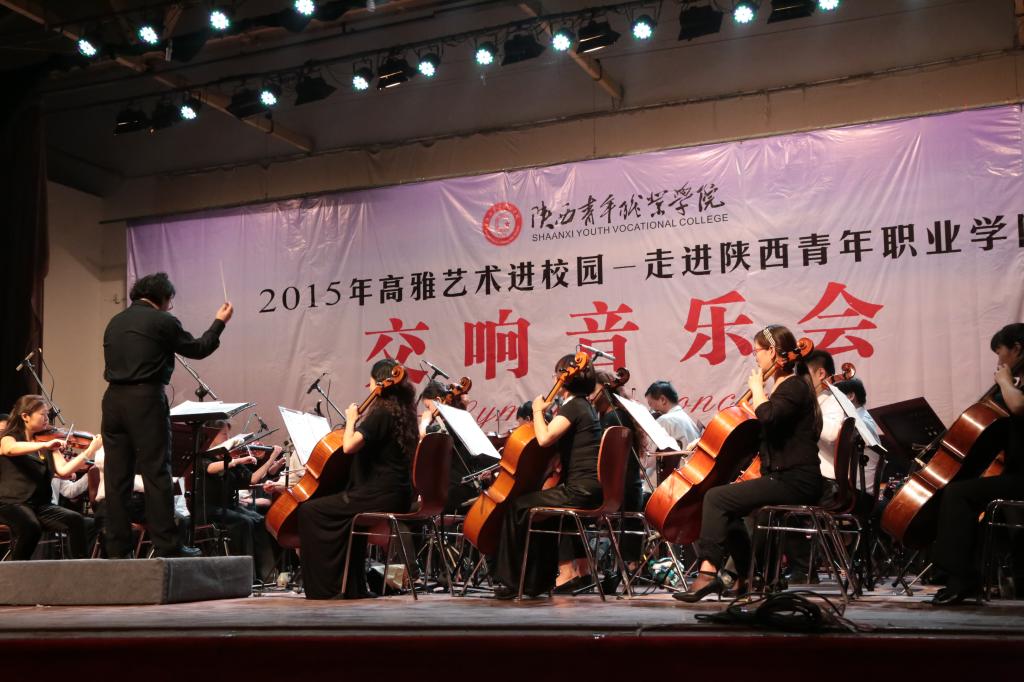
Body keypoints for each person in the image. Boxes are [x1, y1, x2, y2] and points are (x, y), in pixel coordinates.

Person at [674, 325, 824, 602]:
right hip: (783, 477)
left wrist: (757, 390)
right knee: (724, 508)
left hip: (796, 480)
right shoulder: (783, 388)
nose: (756, 357)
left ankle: (708, 573)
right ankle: (747, 577)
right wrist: (708, 441)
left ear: (772, 352)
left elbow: (768, 416)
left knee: (716, 499)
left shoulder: (793, 386)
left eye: (758, 351)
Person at [101, 271, 232, 560]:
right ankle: (167, 545)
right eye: (169, 301)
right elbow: (199, 348)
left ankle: (117, 549)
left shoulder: (115, 322)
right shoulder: (162, 320)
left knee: (116, 476)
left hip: (112, 400)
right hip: (145, 398)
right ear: (163, 297)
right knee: (157, 471)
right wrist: (219, 322)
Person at [296, 359, 418, 599]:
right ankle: (353, 586)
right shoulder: (405, 413)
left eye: (371, 382)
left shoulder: (381, 412)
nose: (370, 387)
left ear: (379, 383)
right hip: (397, 494)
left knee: (310, 511)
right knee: (343, 514)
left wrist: (351, 418)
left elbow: (349, 446)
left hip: (380, 494)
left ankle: (330, 588)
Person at [491, 354, 603, 599]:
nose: (555, 380)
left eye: (556, 375)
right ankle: (536, 583)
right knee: (544, 515)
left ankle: (512, 582)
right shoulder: (586, 407)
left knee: (518, 506)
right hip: (591, 489)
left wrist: (537, 410)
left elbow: (544, 439)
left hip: (580, 490)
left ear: (565, 379)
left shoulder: (574, 406)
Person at [930, 323, 1024, 605]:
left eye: (1000, 353)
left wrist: (1005, 382)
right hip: (1016, 474)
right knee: (960, 491)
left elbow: (1019, 407)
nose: (999, 362)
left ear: (1017, 349)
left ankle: (961, 578)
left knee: (958, 494)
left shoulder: (1014, 387)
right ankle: (964, 574)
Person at [0, 395, 100, 559]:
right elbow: (9, 449)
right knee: (31, 527)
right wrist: (45, 445)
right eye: (43, 414)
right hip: (11, 503)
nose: (47, 419)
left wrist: (89, 451)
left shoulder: (49, 441)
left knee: (76, 520)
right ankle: (15, 570)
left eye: (48, 414)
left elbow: (64, 471)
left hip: (39, 505)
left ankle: (80, 567)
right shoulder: (9, 437)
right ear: (25, 416)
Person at [200, 420, 284, 582]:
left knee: (260, 520)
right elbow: (211, 468)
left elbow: (253, 479)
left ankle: (266, 575)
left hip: (229, 507)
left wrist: (271, 458)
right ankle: (246, 577)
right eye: (224, 434)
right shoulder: (203, 456)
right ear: (211, 435)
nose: (228, 438)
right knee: (245, 522)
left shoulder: (229, 457)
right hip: (208, 509)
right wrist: (237, 461)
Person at [644, 380, 703, 487]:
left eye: (651, 404)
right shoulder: (686, 418)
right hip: (688, 479)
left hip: (667, 485)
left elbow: (647, 462)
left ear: (663, 400)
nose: (652, 410)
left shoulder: (665, 420)